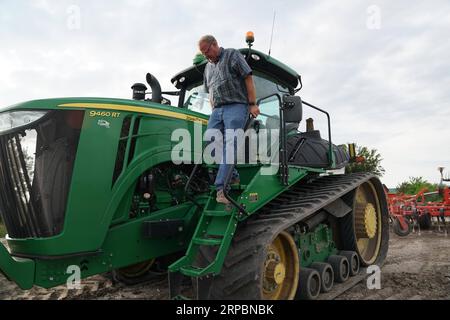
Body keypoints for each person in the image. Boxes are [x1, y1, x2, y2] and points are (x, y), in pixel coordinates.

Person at [198, 35, 260, 204]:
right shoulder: (208, 68)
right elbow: (210, 89)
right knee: (210, 141)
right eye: (203, 53)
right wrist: (214, 108)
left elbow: (248, 77)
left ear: (215, 44)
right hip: (218, 110)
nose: (206, 56)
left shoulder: (232, 55)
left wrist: (252, 104)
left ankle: (221, 189)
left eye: (207, 51)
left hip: (236, 106)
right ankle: (233, 176)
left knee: (230, 145)